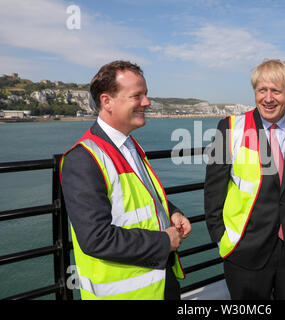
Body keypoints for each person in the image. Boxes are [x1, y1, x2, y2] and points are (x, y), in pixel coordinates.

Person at [60, 60, 191, 300]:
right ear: (107, 101)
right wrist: (163, 242)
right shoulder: (83, 159)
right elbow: (95, 238)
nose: (147, 102)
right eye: (137, 96)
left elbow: (140, 197)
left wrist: (171, 212)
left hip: (160, 284)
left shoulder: (129, 145)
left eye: (146, 94)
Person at [204, 59, 285, 300]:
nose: (268, 98)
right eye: (262, 90)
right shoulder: (230, 128)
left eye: (276, 91)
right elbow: (213, 190)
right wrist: (221, 237)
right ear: (255, 91)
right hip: (245, 251)